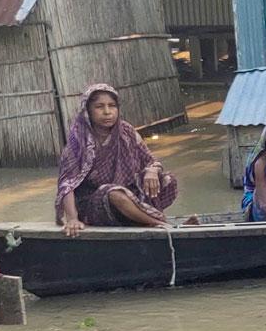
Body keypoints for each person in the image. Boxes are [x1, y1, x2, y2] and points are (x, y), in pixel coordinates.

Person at [55, 83, 178, 236]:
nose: (107, 112)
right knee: (113, 193)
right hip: (93, 204)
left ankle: (140, 219)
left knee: (166, 180)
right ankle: (159, 223)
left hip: (127, 198)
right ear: (88, 111)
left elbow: (151, 161)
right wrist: (72, 219)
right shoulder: (78, 141)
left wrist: (152, 171)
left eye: (112, 106)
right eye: (99, 107)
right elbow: (67, 185)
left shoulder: (126, 131)